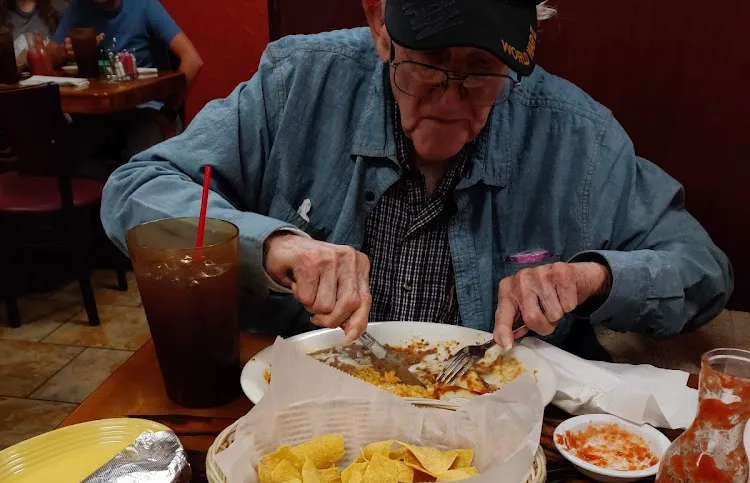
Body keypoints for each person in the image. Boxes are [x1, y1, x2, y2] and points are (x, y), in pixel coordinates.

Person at [100, 0, 732, 352]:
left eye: (481, 71)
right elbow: (135, 189)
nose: (450, 100)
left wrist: (595, 278)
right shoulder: (297, 83)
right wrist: (274, 244)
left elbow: (703, 269)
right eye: (427, 63)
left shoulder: (577, 134)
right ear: (380, 24)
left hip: (504, 435)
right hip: (308, 418)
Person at [49, 0, 203, 154]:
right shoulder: (80, 6)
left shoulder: (144, 5)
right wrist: (62, 52)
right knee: (66, 152)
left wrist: (168, 113)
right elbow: (48, 56)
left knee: (139, 164)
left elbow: (193, 61)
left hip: (149, 111)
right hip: (100, 113)